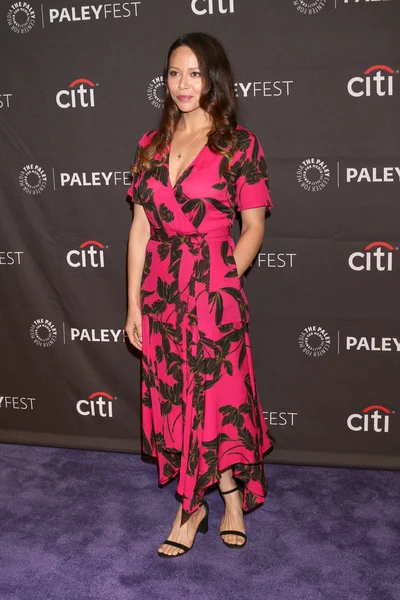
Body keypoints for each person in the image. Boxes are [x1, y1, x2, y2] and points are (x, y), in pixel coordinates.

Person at [125, 31, 274, 558]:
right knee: (178, 401)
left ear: (213, 78)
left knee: (215, 403)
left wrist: (221, 279)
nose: (183, 84)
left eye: (193, 73)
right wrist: (133, 305)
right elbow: (140, 229)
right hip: (162, 293)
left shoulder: (238, 144)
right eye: (173, 73)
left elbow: (253, 227)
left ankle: (209, 503)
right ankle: (206, 502)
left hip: (214, 291)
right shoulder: (150, 145)